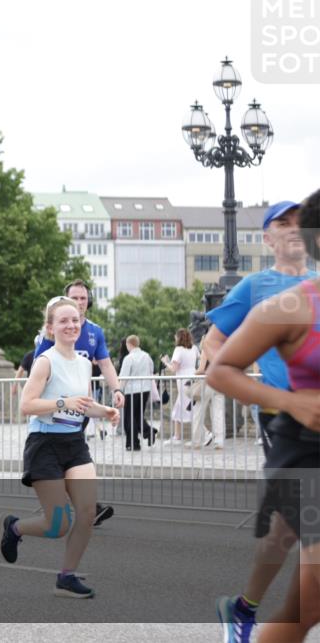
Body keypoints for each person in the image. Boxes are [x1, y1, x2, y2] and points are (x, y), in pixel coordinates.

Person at [207, 188, 320, 643]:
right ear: (269, 237)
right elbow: (216, 353)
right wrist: (283, 399)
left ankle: (244, 606)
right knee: (289, 539)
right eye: (283, 223)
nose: (292, 229)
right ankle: (246, 607)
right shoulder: (261, 291)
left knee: (304, 598)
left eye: (298, 221)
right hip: (295, 431)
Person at [0, 296, 120, 598]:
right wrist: (62, 402)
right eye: (63, 321)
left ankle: (66, 577)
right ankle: (15, 528)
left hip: (74, 443)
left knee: (87, 511)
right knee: (58, 525)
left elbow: (84, 404)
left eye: (75, 320)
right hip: (45, 443)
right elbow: (26, 405)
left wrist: (104, 411)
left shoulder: (83, 364)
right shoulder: (45, 361)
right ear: (51, 328)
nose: (71, 325)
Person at [34, 280, 123, 526]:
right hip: (52, 411)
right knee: (61, 459)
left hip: (80, 406)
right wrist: (60, 402)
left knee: (75, 455)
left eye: (83, 298)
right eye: (75, 298)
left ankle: (84, 507)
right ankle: (60, 506)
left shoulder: (95, 332)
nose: (80, 303)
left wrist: (115, 391)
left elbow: (105, 363)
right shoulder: (53, 333)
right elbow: (35, 380)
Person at [160, 328, 199, 445]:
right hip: (193, 376)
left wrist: (165, 362)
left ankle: (199, 435)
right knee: (182, 406)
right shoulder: (195, 348)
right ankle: (177, 436)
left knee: (188, 406)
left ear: (178, 338)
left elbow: (174, 369)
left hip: (183, 380)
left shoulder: (178, 350)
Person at [187, 334, 226, 450]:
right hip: (219, 382)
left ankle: (197, 441)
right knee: (218, 412)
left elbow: (201, 369)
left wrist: (193, 374)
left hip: (207, 383)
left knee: (198, 412)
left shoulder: (206, 349)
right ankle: (219, 441)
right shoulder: (221, 350)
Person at [118, 335, 156, 450]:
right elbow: (151, 369)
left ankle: (133, 443)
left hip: (131, 391)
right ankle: (148, 432)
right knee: (138, 415)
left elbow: (123, 376)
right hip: (145, 389)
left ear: (129, 345)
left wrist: (119, 391)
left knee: (129, 417)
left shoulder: (128, 358)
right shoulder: (147, 356)